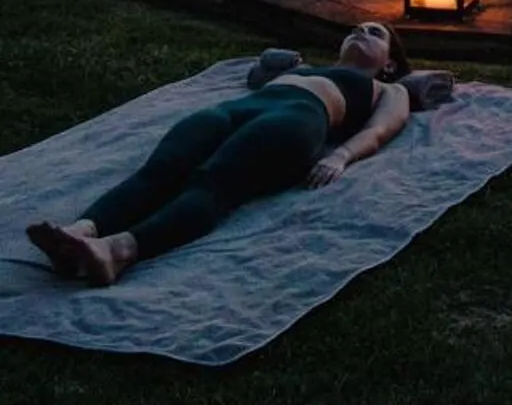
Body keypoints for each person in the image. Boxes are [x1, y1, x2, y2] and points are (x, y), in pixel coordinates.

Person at [25, 23, 415, 287]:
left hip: (300, 117)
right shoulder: (307, 67)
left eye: (374, 32)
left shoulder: (389, 90)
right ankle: (80, 234)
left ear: (390, 63)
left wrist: (341, 155)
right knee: (161, 169)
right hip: (238, 109)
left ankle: (119, 250)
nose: (360, 32)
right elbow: (260, 69)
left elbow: (382, 129)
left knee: (215, 182)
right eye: (355, 29)